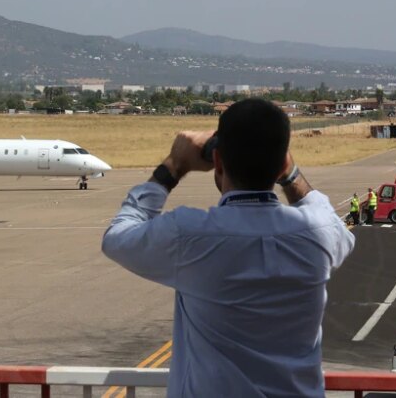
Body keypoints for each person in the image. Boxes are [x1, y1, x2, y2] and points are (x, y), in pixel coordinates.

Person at [102, 98, 355, 398]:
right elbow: (326, 216)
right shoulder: (319, 233)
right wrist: (289, 172)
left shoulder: (191, 234)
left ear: (218, 162)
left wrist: (173, 166)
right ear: (280, 164)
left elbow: (117, 236)